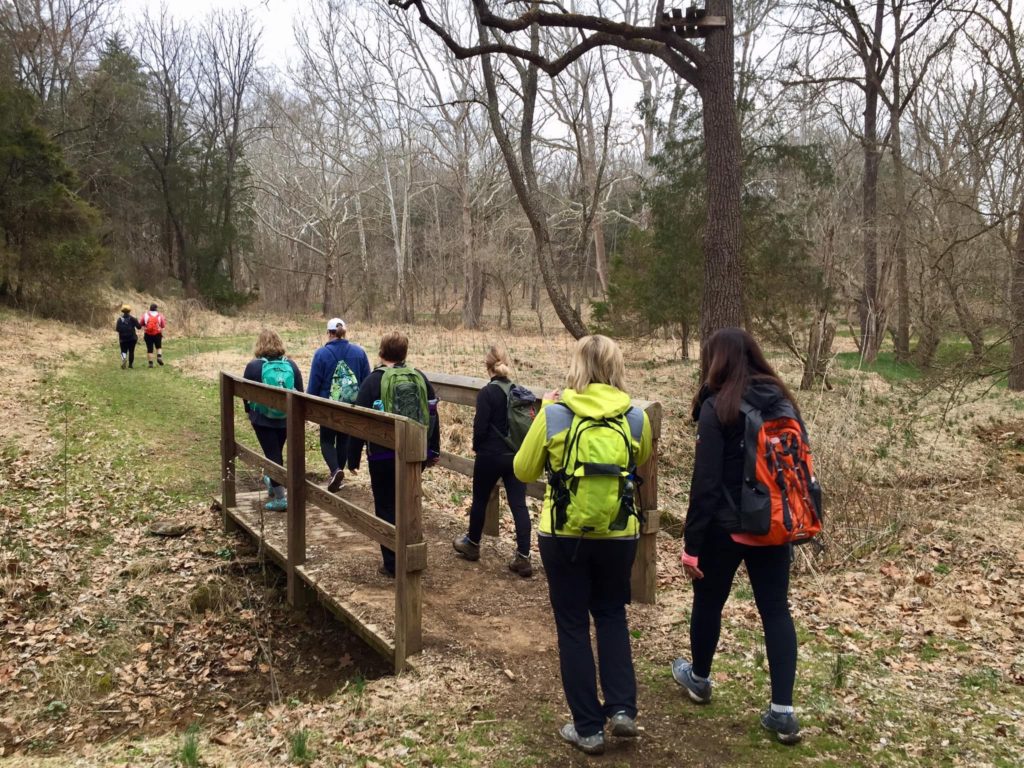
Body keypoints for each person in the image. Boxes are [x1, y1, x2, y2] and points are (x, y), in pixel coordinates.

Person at [513, 334, 652, 756]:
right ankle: (623, 708)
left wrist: (541, 415)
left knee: (573, 625)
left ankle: (588, 728)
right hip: (618, 532)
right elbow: (639, 459)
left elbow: (522, 469)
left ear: (577, 366)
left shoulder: (556, 413)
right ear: (615, 367)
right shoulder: (635, 417)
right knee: (611, 614)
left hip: (563, 535)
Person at [671, 327, 804, 745]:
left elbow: (705, 483)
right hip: (773, 526)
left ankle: (700, 678)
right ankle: (783, 712)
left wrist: (692, 545)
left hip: (725, 529)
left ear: (717, 360)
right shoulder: (784, 402)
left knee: (709, 603)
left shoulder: (717, 406)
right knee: (776, 611)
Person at [347, 331, 440, 578]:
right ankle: (412, 557)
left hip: (382, 456)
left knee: (386, 506)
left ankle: (392, 563)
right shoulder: (419, 377)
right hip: (414, 453)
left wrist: (352, 456)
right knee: (409, 504)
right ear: (405, 353)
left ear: (381, 352)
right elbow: (432, 414)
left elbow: (359, 421)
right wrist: (432, 451)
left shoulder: (373, 380)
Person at [453, 345, 533, 577]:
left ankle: (472, 544)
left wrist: (477, 448)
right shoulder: (518, 391)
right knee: (519, 504)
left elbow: (480, 428)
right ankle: (524, 557)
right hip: (516, 456)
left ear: (487, 367)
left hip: (490, 455)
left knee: (480, 499)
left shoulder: (487, 393)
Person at [242, 329, 304, 512]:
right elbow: (300, 392)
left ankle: (280, 498)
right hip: (287, 418)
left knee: (273, 455)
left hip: (262, 419)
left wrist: (249, 412)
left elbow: (245, 394)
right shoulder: (291, 365)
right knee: (276, 452)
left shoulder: (254, 366)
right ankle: (273, 482)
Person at [307, 318, 371, 492]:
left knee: (327, 440)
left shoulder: (321, 354)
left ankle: (336, 470)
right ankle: (338, 475)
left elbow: (314, 384)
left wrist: (307, 407)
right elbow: (367, 381)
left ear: (329, 333)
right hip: (351, 407)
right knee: (344, 440)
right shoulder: (359, 352)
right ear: (345, 332)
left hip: (328, 407)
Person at [115, 304, 142, 369]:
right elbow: (139, 327)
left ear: (122, 311)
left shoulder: (119, 319)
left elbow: (117, 329)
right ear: (129, 311)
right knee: (131, 351)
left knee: (123, 351)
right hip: (132, 338)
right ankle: (130, 365)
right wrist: (137, 321)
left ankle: (124, 359)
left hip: (123, 339)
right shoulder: (133, 319)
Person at [140, 303, 166, 367]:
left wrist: (145, 328)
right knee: (158, 347)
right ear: (156, 309)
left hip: (148, 334)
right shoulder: (159, 315)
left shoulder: (145, 315)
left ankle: (150, 363)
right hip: (157, 333)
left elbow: (141, 323)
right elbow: (163, 325)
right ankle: (159, 357)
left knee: (150, 349)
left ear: (150, 308)